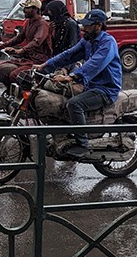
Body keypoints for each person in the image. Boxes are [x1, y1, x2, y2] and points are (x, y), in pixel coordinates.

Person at [34, 9, 122, 158]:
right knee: (60, 96)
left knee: (75, 104)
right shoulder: (87, 40)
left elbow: (96, 63)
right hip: (90, 86)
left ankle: (83, 144)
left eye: (88, 25)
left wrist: (73, 77)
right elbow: (69, 54)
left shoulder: (107, 42)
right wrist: (46, 64)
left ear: (98, 26)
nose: (84, 28)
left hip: (106, 89)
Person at [0, 0, 52, 86]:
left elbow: (37, 41)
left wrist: (21, 50)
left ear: (35, 9)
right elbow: (19, 38)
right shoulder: (29, 22)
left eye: (27, 8)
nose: (24, 10)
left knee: (15, 75)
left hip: (38, 60)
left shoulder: (42, 24)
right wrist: (2, 45)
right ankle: (9, 95)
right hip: (27, 58)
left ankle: (23, 97)